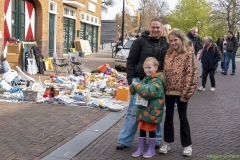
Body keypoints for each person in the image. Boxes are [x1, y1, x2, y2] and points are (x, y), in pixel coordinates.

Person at [116, 17, 169, 150]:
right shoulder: (139, 41)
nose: (156, 29)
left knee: (156, 111)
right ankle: (124, 140)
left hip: (157, 83)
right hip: (140, 81)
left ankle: (156, 139)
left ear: (161, 29)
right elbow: (131, 61)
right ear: (149, 28)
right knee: (133, 112)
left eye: (158, 27)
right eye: (153, 27)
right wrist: (131, 80)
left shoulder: (165, 44)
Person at [159, 29, 198, 156]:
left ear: (181, 39)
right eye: (171, 41)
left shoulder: (188, 54)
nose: (173, 43)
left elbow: (191, 74)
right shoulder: (168, 54)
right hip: (169, 91)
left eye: (175, 40)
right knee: (168, 117)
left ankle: (187, 145)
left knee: (183, 118)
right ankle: (167, 142)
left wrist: (186, 94)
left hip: (181, 92)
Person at [130, 57, 166, 158]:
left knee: (151, 131)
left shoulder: (158, 81)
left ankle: (151, 149)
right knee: (141, 129)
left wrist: (137, 86)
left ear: (156, 67)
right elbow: (139, 90)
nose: (147, 70)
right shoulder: (146, 79)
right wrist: (133, 87)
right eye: (145, 68)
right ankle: (141, 148)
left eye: (149, 67)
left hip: (152, 111)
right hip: (143, 109)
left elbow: (149, 92)